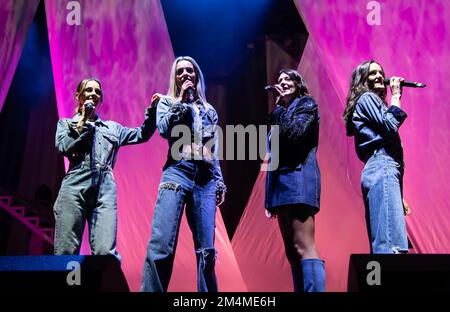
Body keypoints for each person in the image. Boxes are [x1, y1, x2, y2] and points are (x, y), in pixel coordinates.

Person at [141, 56, 226, 292]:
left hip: (205, 179)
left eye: (190, 70)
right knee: (162, 245)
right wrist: (182, 102)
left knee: (207, 251)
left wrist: (219, 180)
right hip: (177, 172)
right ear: (175, 78)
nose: (186, 74)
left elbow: (212, 148)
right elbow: (165, 130)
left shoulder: (209, 110)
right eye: (180, 72)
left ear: (196, 75)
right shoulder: (166, 102)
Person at [53, 78, 157, 260]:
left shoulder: (112, 128)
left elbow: (142, 134)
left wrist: (153, 111)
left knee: (105, 253)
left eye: (97, 92)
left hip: (105, 189)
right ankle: (70, 283)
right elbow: (64, 147)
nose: (93, 94)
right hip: (75, 186)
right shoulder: (66, 124)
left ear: (100, 99)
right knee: (67, 251)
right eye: (89, 90)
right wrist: (84, 120)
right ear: (79, 96)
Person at [265, 69, 325, 292]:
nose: (282, 82)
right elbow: (271, 155)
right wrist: (268, 197)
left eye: (288, 79)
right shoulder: (279, 114)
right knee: (292, 252)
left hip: (298, 180)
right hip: (280, 187)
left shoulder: (306, 105)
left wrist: (280, 109)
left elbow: (295, 135)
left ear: (298, 84)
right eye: (279, 80)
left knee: (304, 247)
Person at [343, 60, 409, 254]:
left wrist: (398, 193)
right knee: (391, 245)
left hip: (382, 170)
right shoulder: (366, 98)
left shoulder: (372, 103)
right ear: (363, 79)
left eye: (381, 72)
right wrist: (396, 96)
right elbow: (390, 125)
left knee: (387, 240)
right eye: (373, 74)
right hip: (382, 166)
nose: (380, 76)